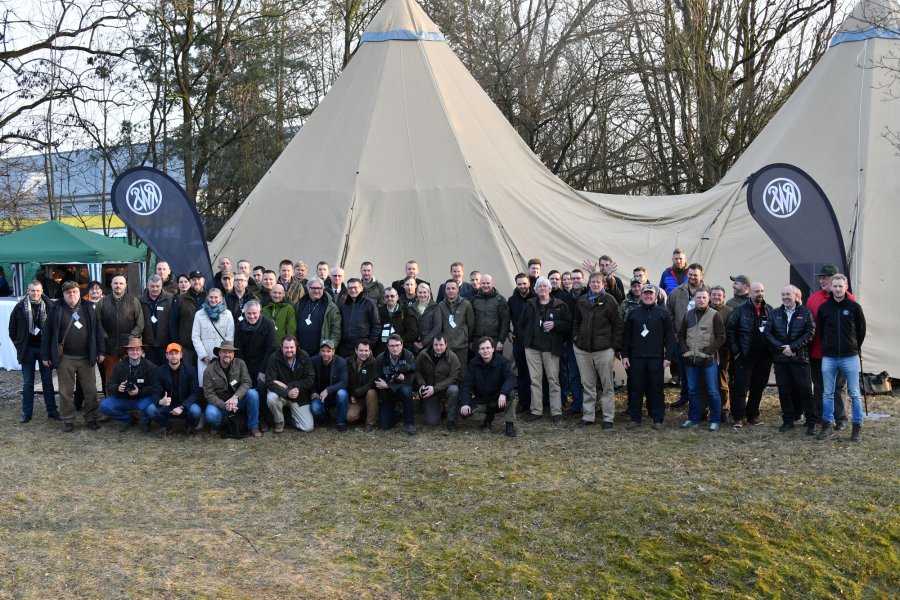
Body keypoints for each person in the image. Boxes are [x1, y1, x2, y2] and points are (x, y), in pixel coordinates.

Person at [41, 281, 105, 431]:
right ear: (63, 294)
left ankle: (91, 418)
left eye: (75, 291)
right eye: (68, 292)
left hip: (86, 357)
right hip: (65, 358)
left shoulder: (88, 307)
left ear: (79, 292)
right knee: (65, 391)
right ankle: (68, 420)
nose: (72, 294)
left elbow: (98, 332)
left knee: (90, 390)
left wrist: (101, 351)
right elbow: (47, 334)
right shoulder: (56, 309)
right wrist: (45, 355)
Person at [816, 274, 866, 441]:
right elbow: (821, 332)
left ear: (846, 288)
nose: (837, 289)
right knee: (827, 392)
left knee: (855, 393)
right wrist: (829, 346)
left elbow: (861, 330)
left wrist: (853, 347)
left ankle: (857, 427)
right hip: (829, 357)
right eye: (835, 286)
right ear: (830, 287)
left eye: (840, 286)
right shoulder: (824, 308)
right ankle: (827, 425)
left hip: (849, 357)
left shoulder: (854, 307)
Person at [807, 265, 855, 431]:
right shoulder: (813, 299)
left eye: (825, 278)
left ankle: (840, 418)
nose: (821, 280)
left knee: (838, 386)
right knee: (819, 386)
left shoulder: (849, 300)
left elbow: (857, 328)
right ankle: (821, 417)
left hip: (840, 353)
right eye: (820, 278)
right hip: (817, 351)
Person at [573, 271, 623, 428]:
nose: (595, 284)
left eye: (598, 282)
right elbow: (576, 322)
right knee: (588, 384)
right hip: (583, 350)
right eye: (592, 282)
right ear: (588, 283)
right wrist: (575, 338)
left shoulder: (610, 301)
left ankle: (608, 417)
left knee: (607, 385)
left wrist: (613, 347)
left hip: (603, 349)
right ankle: (588, 415)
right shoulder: (581, 300)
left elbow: (618, 325)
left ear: (603, 285)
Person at [519, 276, 572, 423]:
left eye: (545, 286)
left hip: (551, 348)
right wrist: (526, 339)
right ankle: (536, 410)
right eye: (539, 287)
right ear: (535, 289)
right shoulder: (529, 304)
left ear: (550, 289)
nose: (542, 289)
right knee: (535, 380)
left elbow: (569, 325)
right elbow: (521, 324)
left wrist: (556, 324)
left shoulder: (560, 305)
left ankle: (556, 411)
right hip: (532, 348)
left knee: (553, 380)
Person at [621, 284, 675, 430]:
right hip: (636, 358)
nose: (648, 296)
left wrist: (668, 357)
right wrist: (625, 355)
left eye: (651, 294)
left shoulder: (663, 314)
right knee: (635, 388)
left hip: (656, 358)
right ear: (642, 294)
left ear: (655, 295)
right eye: (645, 293)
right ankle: (635, 418)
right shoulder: (633, 313)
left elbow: (670, 338)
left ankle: (658, 419)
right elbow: (626, 336)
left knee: (656, 389)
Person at [764, 285, 816, 433]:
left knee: (805, 390)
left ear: (796, 296)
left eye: (788, 294)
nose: (785, 297)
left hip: (800, 359)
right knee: (784, 391)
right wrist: (782, 348)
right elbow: (768, 333)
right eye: (783, 294)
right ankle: (788, 420)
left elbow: (810, 332)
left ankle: (811, 422)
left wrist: (792, 347)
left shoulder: (806, 312)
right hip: (781, 360)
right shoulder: (775, 313)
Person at [9, 280, 60, 423]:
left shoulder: (50, 307)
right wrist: (19, 345)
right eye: (32, 290)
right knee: (27, 383)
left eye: (38, 290)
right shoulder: (19, 307)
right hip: (28, 350)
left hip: (45, 350)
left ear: (42, 291)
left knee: (47, 382)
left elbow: (55, 329)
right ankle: (27, 413)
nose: (35, 293)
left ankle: (52, 411)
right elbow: (12, 329)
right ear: (28, 291)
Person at [677, 289, 726, 431]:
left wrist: (709, 351)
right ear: (695, 299)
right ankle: (693, 418)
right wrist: (685, 351)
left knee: (712, 391)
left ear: (708, 299)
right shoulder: (688, 315)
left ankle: (715, 420)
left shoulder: (715, 315)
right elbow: (680, 335)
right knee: (692, 391)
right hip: (690, 361)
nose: (701, 300)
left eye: (704, 297)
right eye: (699, 297)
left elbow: (721, 336)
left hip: (708, 361)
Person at [726, 281, 773, 429]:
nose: (760, 294)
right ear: (750, 293)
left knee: (758, 387)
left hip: (764, 357)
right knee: (740, 387)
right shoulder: (740, 310)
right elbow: (730, 330)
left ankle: (753, 415)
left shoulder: (769, 310)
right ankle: (739, 417)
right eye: (757, 291)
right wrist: (736, 351)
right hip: (744, 356)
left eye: (762, 291)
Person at [202, 340, 262, 437]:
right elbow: (209, 394)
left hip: (238, 402)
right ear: (219, 353)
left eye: (230, 352)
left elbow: (247, 382)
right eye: (224, 352)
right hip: (220, 404)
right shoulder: (209, 370)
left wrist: (235, 397)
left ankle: (253, 427)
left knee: (253, 394)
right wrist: (224, 405)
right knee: (210, 414)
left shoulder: (240, 364)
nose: (227, 354)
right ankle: (220, 426)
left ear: (234, 353)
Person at [459, 337, 518, 437]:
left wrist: (503, 393)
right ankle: (488, 417)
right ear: (478, 351)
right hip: (482, 400)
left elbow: (511, 379)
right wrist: (465, 403)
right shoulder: (473, 363)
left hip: (498, 399)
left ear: (493, 349)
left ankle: (509, 424)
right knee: (463, 413)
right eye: (482, 348)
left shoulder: (503, 362)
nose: (485, 351)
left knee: (511, 394)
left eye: (488, 348)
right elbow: (466, 385)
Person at [667, 262, 708, 404]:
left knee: (702, 371)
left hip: (703, 340)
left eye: (695, 275)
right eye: (689, 275)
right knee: (684, 370)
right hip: (682, 339)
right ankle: (685, 397)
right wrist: (673, 331)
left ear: (701, 275)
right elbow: (669, 313)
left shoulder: (708, 292)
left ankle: (701, 400)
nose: (692, 277)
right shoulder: (677, 292)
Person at [99, 338, 160, 433]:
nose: (134, 352)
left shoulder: (150, 367)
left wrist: (140, 391)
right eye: (131, 349)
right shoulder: (119, 366)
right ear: (127, 351)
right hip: (124, 398)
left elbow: (156, 387)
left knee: (151, 408)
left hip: (142, 398)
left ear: (142, 351)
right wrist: (118, 388)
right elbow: (109, 384)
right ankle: (128, 418)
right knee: (104, 406)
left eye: (137, 349)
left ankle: (145, 421)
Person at [235, 300, 277, 428]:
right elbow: (238, 348)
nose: (252, 316)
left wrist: (263, 371)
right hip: (246, 364)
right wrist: (243, 369)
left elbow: (271, 348)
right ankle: (248, 418)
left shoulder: (268, 324)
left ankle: (263, 419)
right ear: (244, 313)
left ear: (259, 312)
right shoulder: (240, 326)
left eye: (255, 313)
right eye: (249, 314)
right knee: (246, 389)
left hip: (263, 363)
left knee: (262, 388)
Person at [146, 342, 202, 437]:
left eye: (176, 353)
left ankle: (188, 425)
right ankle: (167, 426)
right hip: (167, 406)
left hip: (184, 406)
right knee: (150, 409)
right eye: (171, 354)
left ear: (181, 355)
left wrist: (182, 407)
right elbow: (154, 391)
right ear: (167, 356)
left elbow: (195, 393)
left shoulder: (190, 370)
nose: (174, 356)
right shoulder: (159, 371)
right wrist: (160, 401)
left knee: (196, 410)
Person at [96, 274, 144, 382]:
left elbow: (140, 323)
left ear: (125, 285)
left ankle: (130, 398)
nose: (118, 286)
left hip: (129, 347)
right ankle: (111, 399)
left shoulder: (134, 301)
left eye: (121, 283)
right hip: (110, 346)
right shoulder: (102, 302)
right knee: (111, 377)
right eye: (116, 283)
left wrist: (131, 338)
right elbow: (97, 323)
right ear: (111, 285)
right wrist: (105, 336)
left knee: (131, 376)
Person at [265, 335, 316, 433]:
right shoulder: (274, 357)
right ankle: (279, 421)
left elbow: (309, 379)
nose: (289, 350)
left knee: (308, 427)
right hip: (281, 395)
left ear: (296, 346)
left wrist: (288, 387)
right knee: (271, 398)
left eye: (291, 347)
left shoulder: (304, 356)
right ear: (281, 347)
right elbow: (269, 382)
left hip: (299, 395)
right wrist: (287, 392)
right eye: (286, 347)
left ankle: (289, 417)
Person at [414, 334, 461, 430]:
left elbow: (453, 377)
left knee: (454, 390)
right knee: (432, 422)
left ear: (446, 345)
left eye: (441, 345)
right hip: (429, 391)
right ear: (432, 344)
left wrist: (435, 388)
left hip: (445, 388)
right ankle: (440, 408)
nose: (438, 347)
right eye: (436, 345)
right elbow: (417, 371)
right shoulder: (423, 355)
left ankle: (451, 420)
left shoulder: (452, 357)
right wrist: (422, 384)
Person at [374, 334, 417, 435]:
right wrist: (393, 381)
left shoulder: (409, 355)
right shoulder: (380, 358)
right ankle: (398, 414)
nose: (395, 348)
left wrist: (389, 384)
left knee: (406, 391)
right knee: (384, 425)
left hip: (402, 390)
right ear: (387, 346)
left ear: (402, 345)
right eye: (392, 346)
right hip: (387, 393)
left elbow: (409, 381)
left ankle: (409, 423)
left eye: (397, 345)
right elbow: (377, 379)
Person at [192, 288, 236, 383]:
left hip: (223, 355)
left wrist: (223, 354)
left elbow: (230, 336)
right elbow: (195, 337)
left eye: (216, 297)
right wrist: (203, 355)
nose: (213, 300)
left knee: (222, 384)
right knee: (207, 385)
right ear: (207, 298)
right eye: (211, 297)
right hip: (205, 356)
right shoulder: (199, 314)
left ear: (221, 298)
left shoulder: (228, 314)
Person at [507, 272, 534, 410]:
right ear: (516, 284)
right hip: (518, 342)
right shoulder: (512, 300)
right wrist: (508, 333)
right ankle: (524, 403)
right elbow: (506, 319)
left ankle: (537, 403)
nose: (522, 286)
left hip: (534, 343)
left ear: (529, 283)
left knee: (535, 374)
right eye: (519, 284)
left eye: (524, 283)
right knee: (522, 373)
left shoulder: (536, 298)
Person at [310, 339, 350, 432]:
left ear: (333, 351)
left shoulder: (341, 362)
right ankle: (326, 418)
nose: (325, 354)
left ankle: (341, 422)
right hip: (320, 396)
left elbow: (344, 382)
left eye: (328, 351)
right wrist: (313, 392)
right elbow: (309, 380)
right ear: (320, 351)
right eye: (323, 351)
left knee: (342, 393)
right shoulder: (314, 361)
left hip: (335, 394)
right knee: (315, 407)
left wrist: (328, 390)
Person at [295, 277, 341, 357]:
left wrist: (328, 348)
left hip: (321, 353)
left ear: (323, 289)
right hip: (300, 351)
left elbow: (336, 331)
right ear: (308, 289)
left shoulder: (331, 307)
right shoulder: (300, 303)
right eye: (313, 288)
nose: (316, 290)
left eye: (319, 288)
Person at [139, 274, 178, 367]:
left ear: (161, 286)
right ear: (148, 285)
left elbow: (174, 321)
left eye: (157, 286)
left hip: (165, 343)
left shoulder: (170, 298)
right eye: (152, 286)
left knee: (165, 370)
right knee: (151, 371)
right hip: (149, 344)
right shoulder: (140, 300)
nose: (155, 289)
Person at [337, 278, 380, 358]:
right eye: (350, 288)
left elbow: (376, 325)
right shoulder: (343, 305)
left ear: (361, 288)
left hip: (362, 348)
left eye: (355, 287)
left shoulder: (369, 304)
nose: (353, 290)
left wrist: (370, 344)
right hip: (345, 348)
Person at [438, 280, 475, 371]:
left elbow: (471, 324)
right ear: (445, 290)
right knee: (446, 372)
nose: (451, 291)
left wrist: (466, 338)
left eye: (453, 288)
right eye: (448, 288)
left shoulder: (466, 304)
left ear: (458, 290)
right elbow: (438, 326)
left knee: (461, 372)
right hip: (445, 347)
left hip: (461, 347)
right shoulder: (440, 305)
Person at [470, 274, 510, 354]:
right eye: (483, 283)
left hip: (495, 340)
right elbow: (470, 321)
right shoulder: (474, 300)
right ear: (480, 284)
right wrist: (471, 341)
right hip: (477, 340)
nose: (486, 285)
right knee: (478, 365)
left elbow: (505, 321)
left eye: (488, 283)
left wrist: (501, 341)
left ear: (492, 283)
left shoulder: (500, 300)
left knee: (496, 365)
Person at [376, 285, 418, 356]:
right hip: (383, 350)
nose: (389, 298)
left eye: (392, 296)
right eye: (387, 296)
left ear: (397, 297)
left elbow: (412, 332)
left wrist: (397, 343)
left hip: (402, 349)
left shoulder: (406, 311)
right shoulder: (378, 312)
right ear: (384, 298)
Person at [178, 270, 208, 369]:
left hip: (206, 345)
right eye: (193, 279)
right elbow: (173, 322)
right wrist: (178, 342)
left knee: (206, 373)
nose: (196, 282)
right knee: (189, 373)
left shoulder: (210, 298)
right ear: (190, 282)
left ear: (203, 280)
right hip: (187, 346)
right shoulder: (181, 299)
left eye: (199, 279)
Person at [347, 339, 378, 431]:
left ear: (370, 351)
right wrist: (352, 394)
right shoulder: (348, 362)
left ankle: (370, 423)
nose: (363, 353)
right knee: (350, 417)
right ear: (356, 350)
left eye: (366, 350)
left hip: (369, 396)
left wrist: (356, 393)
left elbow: (373, 383)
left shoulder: (375, 363)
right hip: (356, 398)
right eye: (361, 350)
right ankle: (364, 415)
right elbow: (345, 381)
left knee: (371, 392)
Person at [412, 282, 441, 354]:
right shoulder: (411, 307)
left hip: (430, 345)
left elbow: (437, 328)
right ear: (416, 293)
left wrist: (423, 343)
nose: (422, 295)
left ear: (428, 293)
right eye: (420, 292)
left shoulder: (435, 307)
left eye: (425, 292)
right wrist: (414, 342)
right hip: (414, 345)